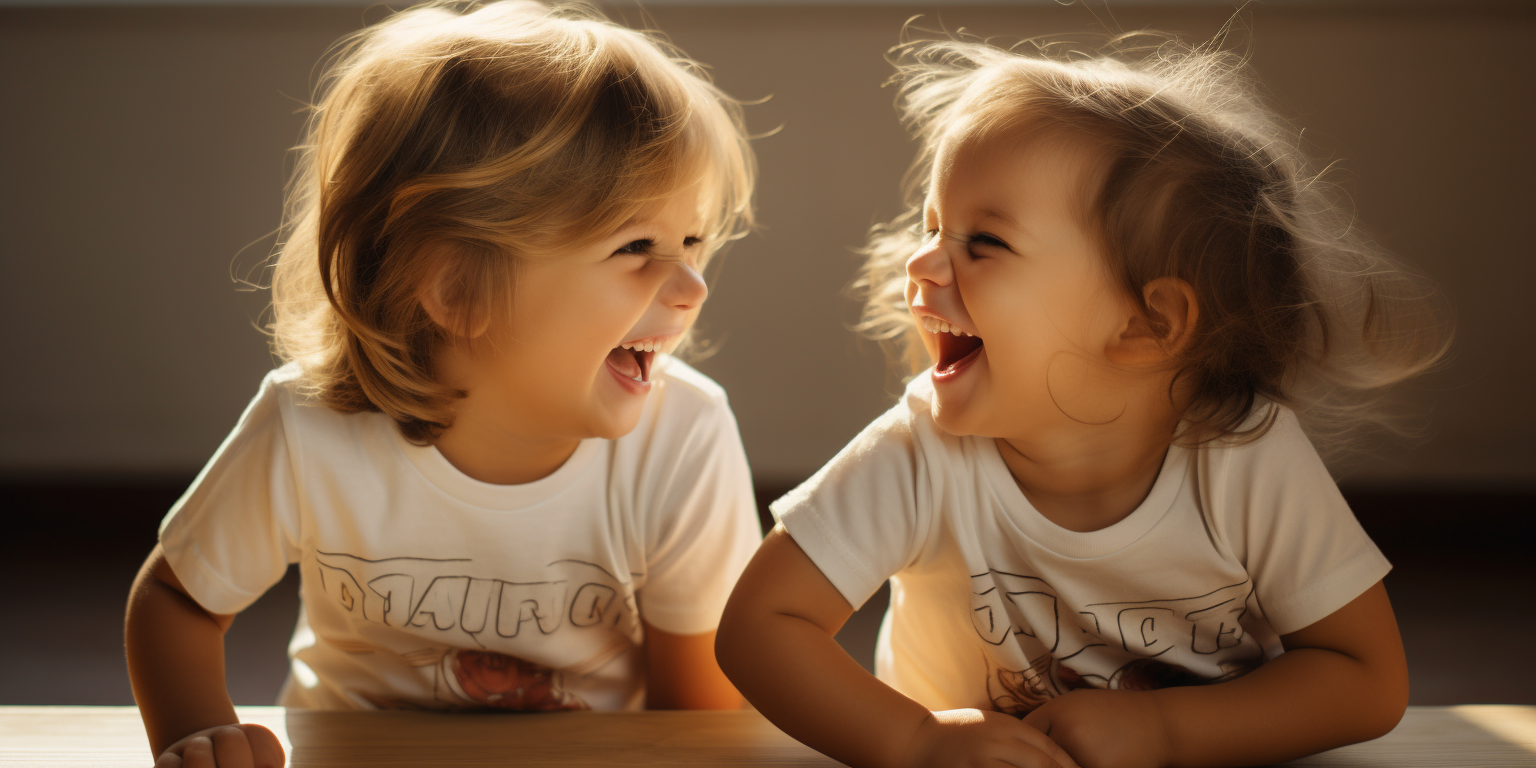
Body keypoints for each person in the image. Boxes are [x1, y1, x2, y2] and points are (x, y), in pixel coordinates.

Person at [716, 29, 1448, 768]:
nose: (920, 259)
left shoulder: (1243, 453)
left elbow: (1366, 679)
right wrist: (916, 740)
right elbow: (759, 626)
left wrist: (1166, 732)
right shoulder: (919, 450)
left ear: (1146, 323)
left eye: (985, 242)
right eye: (932, 225)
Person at [125, 2, 760, 766]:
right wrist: (196, 731)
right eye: (636, 245)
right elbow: (176, 600)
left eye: (692, 240)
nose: (692, 283)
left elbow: (697, 715)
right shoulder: (309, 426)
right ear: (456, 289)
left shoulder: (684, 437)